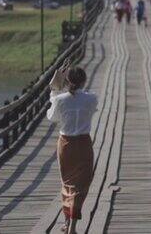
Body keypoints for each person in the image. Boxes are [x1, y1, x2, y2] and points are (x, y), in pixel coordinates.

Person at [47, 59, 98, 234]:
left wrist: (55, 91)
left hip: (66, 143)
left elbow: (51, 117)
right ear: (84, 81)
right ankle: (72, 226)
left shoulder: (60, 100)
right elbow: (89, 108)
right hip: (83, 144)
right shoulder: (92, 98)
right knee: (82, 185)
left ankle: (67, 222)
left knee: (67, 183)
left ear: (67, 81)